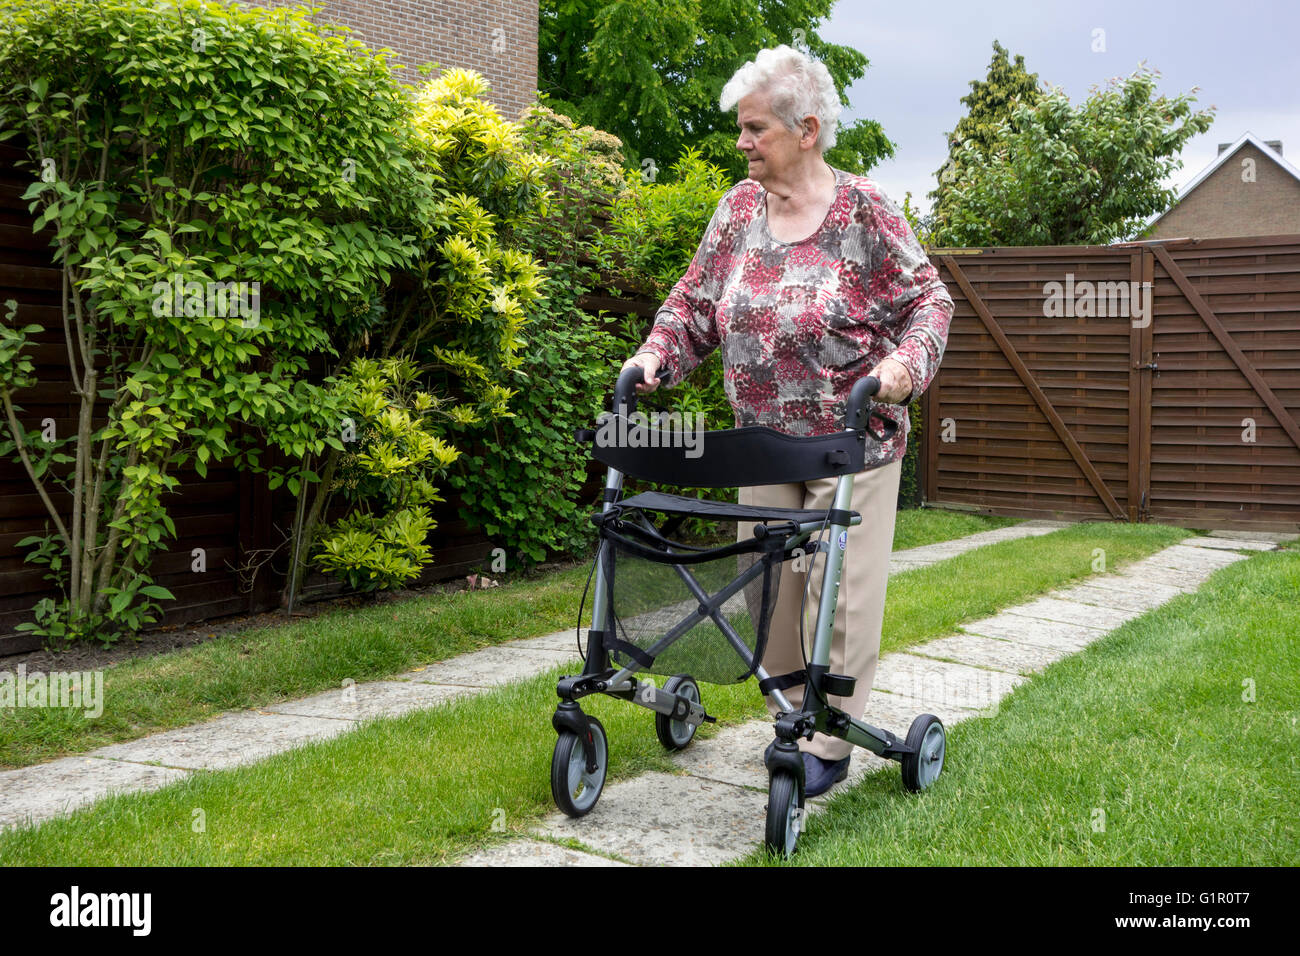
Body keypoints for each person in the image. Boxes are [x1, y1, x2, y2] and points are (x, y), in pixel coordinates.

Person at [621, 45, 953, 797]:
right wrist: (653, 358)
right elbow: (693, 305)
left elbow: (930, 302)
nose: (741, 143)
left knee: (840, 597)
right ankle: (791, 714)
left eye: (754, 128)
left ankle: (827, 747)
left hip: (852, 445)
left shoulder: (864, 210)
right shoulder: (737, 210)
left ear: (807, 129)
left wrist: (901, 372)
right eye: (740, 129)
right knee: (766, 593)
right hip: (762, 447)